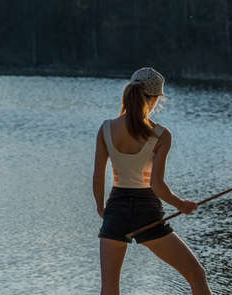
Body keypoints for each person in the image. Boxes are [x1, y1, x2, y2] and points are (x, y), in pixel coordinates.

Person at [92, 67, 213, 295]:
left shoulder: (106, 129)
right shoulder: (161, 135)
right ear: (155, 98)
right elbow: (157, 184)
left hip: (115, 210)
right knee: (196, 275)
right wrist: (180, 204)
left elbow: (98, 176)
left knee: (109, 288)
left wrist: (101, 207)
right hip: (147, 212)